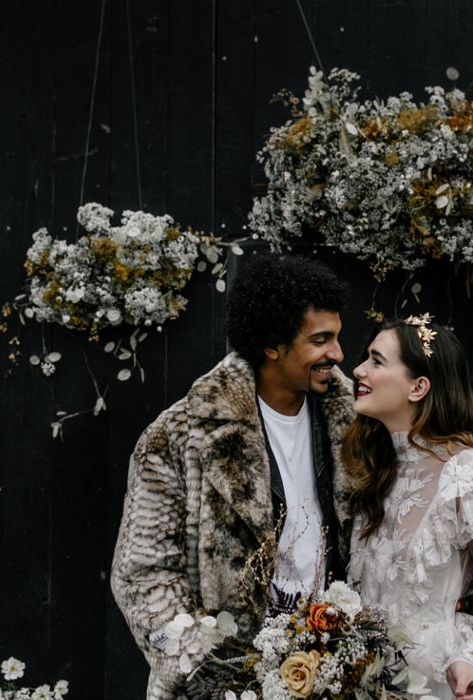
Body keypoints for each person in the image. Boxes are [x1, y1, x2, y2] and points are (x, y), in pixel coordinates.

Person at [111, 255, 354, 700]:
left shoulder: (356, 421)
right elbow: (141, 573)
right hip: (230, 684)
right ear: (271, 344)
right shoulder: (180, 434)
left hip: (337, 673)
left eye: (337, 338)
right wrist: (202, 665)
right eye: (321, 340)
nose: (337, 355)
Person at [344, 315, 473, 700]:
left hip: (434, 683)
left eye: (376, 361)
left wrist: (469, 658)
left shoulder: (472, 475)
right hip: (363, 684)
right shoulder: (372, 471)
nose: (358, 370)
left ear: (419, 387)